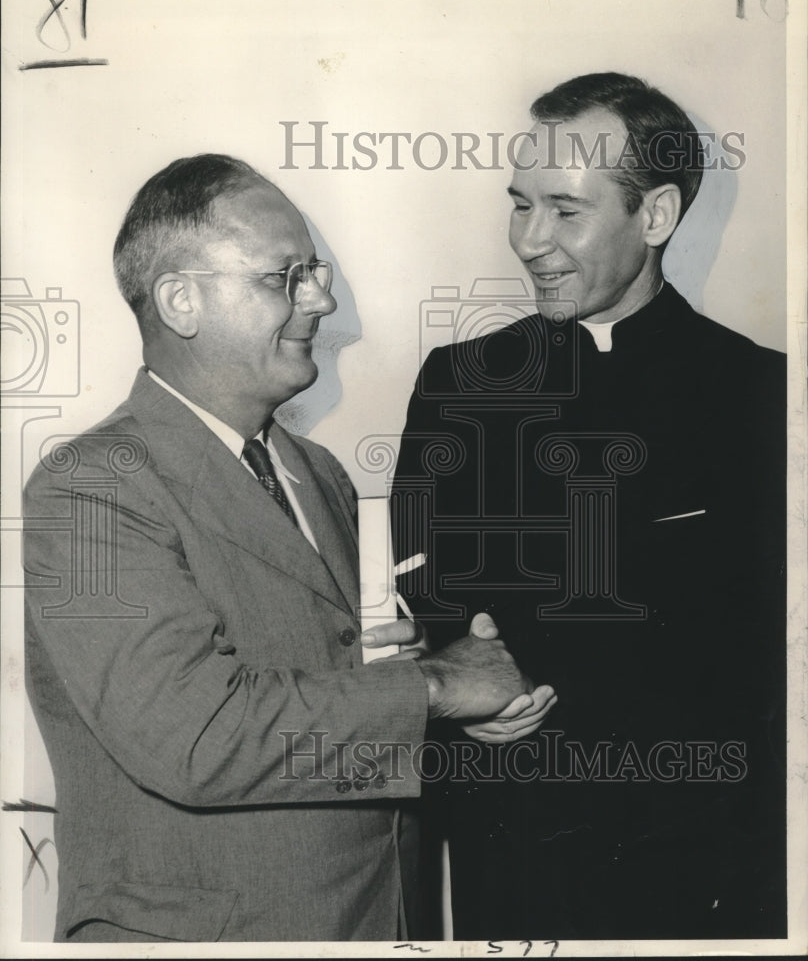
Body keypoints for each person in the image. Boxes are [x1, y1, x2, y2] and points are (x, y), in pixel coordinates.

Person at [23, 154, 538, 943]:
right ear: (180, 301)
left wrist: (432, 688)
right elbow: (194, 737)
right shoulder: (89, 488)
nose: (323, 301)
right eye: (285, 277)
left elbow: (328, 683)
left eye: (316, 273)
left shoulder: (318, 473)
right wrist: (432, 688)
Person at [392, 73, 786, 940]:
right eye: (519, 204)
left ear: (656, 218)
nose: (531, 241)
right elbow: (428, 584)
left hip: (703, 854)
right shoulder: (458, 384)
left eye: (565, 212)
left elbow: (753, 647)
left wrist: (530, 676)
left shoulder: (761, 394)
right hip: (513, 843)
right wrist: (476, 687)